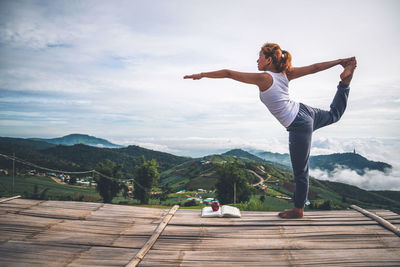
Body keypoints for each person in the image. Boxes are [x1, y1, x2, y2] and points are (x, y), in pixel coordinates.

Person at [184, 42, 356, 219]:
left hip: (298, 123)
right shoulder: (285, 73)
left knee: (300, 171)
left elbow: (229, 73)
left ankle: (298, 210)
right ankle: (345, 82)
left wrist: (202, 75)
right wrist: (340, 61)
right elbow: (314, 68)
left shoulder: (264, 78)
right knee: (334, 114)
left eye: (259, 56)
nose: (257, 60)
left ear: (267, 59)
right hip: (305, 111)